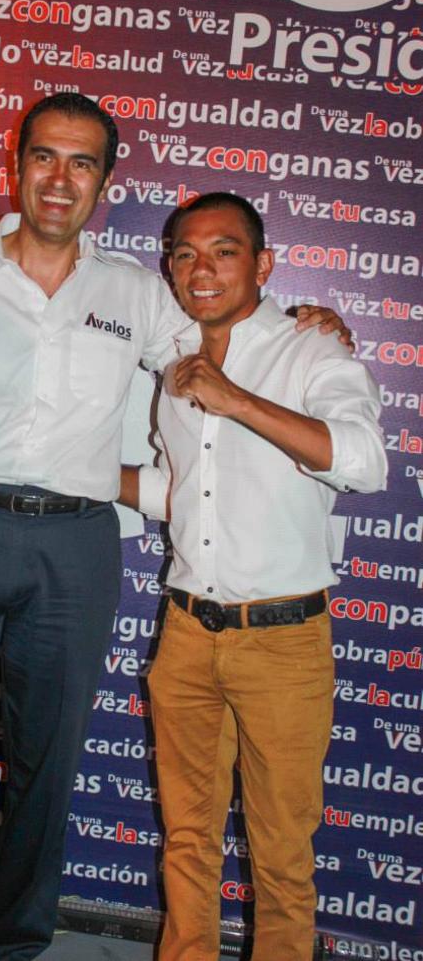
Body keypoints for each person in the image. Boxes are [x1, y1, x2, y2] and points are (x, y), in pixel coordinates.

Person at [0, 95, 352, 961]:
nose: (60, 178)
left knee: (47, 770)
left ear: (106, 182)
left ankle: (7, 947)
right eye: (45, 156)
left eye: (82, 163)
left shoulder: (135, 292)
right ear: (18, 165)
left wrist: (309, 328)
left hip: (75, 550)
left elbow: (224, 332)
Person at [119, 193, 387, 961]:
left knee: (281, 857)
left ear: (263, 263)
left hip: (283, 642)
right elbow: (180, 492)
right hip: (185, 634)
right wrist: (81, 472)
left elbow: (364, 462)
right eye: (184, 254)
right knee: (187, 840)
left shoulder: (312, 348)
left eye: (223, 251)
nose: (201, 268)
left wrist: (236, 400)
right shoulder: (174, 364)